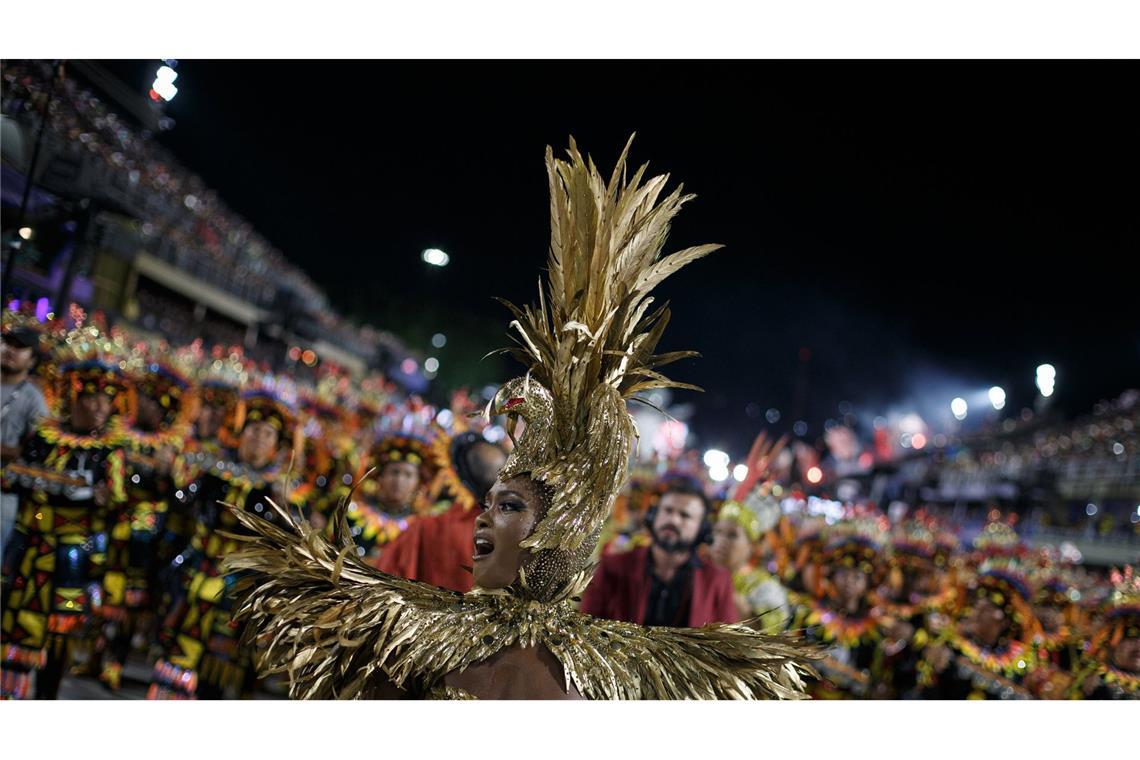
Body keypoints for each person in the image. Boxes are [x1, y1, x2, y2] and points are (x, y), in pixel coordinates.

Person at [222, 137, 818, 700]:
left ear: (562, 535)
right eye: (492, 500)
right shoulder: (412, 632)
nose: (484, 513)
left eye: (509, 506)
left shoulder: (625, 675)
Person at [147, 378, 306, 699]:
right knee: (177, 655)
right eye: (253, 430)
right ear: (240, 433)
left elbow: (293, 541)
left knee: (218, 669)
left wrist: (288, 512)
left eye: (267, 434)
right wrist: (165, 474)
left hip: (240, 585)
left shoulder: (280, 490)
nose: (258, 439)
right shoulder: (215, 471)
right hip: (197, 570)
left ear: (277, 444)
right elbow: (181, 501)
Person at [0, 313, 129, 699]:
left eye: (106, 401)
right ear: (75, 398)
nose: (99, 408)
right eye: (91, 398)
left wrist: (95, 498)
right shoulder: (45, 436)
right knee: (15, 623)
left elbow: (115, 499)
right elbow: (15, 476)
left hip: (74, 555)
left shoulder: (111, 451)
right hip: (30, 546)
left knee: (62, 629)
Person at [580, 476, 738, 628]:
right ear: (652, 516)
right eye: (667, 511)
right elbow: (585, 627)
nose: (673, 520)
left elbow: (727, 645)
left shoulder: (718, 581)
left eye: (685, 515)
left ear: (702, 530)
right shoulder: (613, 567)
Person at [376, 427, 507, 592]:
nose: (399, 481)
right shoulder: (522, 534)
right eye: (394, 472)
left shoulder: (424, 529)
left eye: (408, 475)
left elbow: (382, 586)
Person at [1, 312, 50, 560]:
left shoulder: (35, 401)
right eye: (8, 343)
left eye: (20, 348)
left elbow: (40, 452)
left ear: (32, 360)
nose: (11, 350)